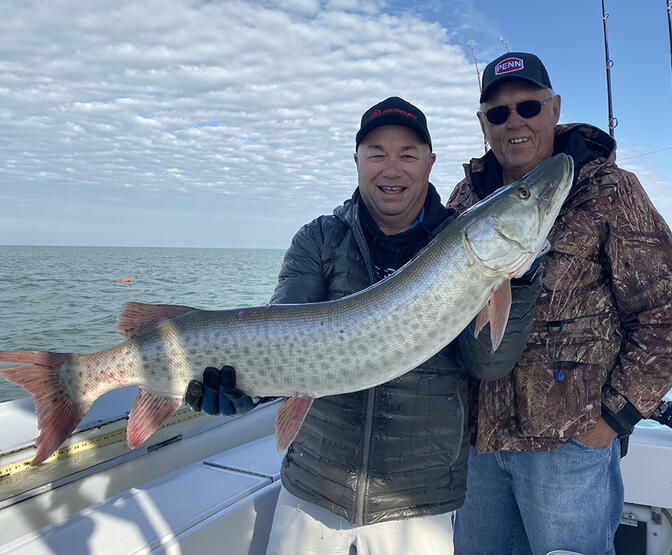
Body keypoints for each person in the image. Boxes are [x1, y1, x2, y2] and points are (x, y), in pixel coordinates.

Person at [185, 96, 542, 554]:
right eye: (377, 153)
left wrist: (520, 279)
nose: (391, 170)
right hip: (313, 486)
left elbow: (487, 364)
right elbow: (287, 329)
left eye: (407, 155)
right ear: (357, 160)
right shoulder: (320, 238)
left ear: (429, 163)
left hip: (419, 502)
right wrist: (245, 384)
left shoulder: (462, 244)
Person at [447, 52, 672, 555]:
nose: (513, 122)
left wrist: (613, 419)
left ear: (554, 108)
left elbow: (671, 313)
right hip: (479, 448)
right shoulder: (464, 198)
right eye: (497, 113)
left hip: (568, 448)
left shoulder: (610, 190)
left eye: (527, 107)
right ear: (483, 124)